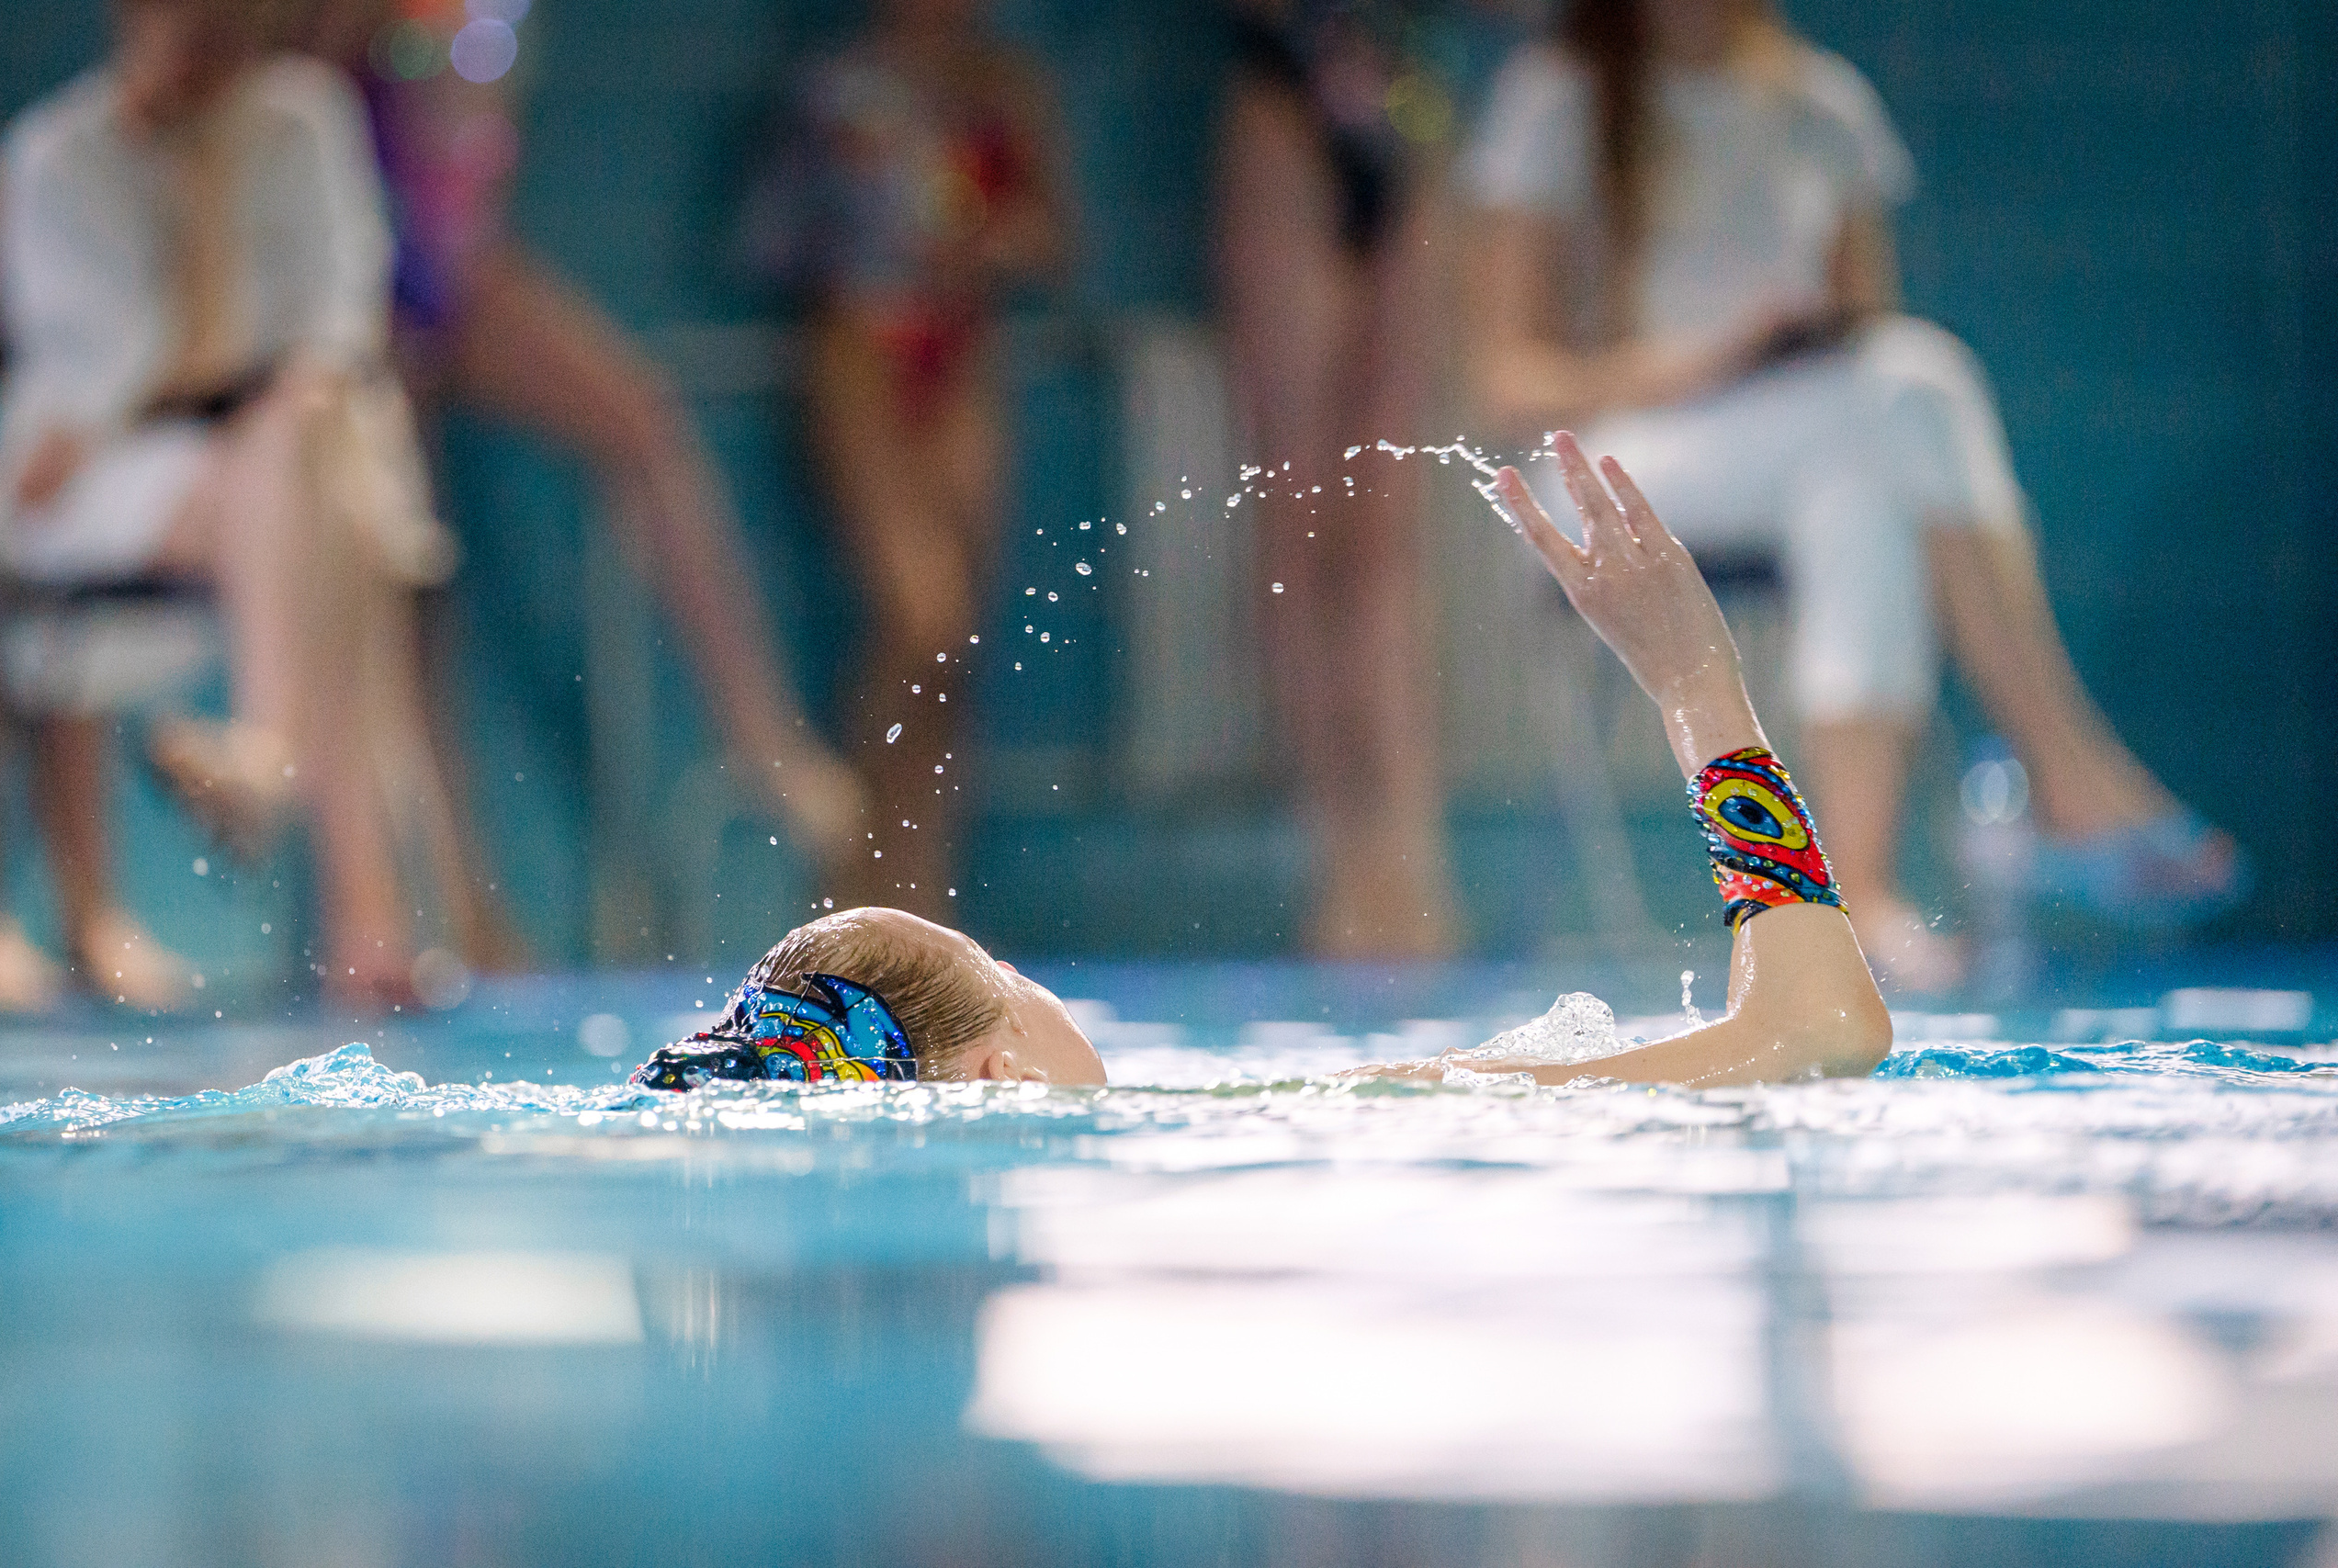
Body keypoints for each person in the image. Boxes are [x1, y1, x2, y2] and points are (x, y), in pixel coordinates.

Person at [635, 435, 1892, 1092]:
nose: (1041, 983)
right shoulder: (1349, 1112)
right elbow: (1824, 1029)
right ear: (999, 1074)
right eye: (1012, 974)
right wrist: (1696, 685)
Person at [1460, 0, 2243, 987]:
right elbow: (1504, 382)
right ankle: (2063, 776)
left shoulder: (1821, 105)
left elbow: (1865, 336)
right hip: (1616, 459)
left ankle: (1850, 896)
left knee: (1868, 476)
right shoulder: (1557, 99)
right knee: (1913, 390)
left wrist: (1791, 348)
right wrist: (1710, 358)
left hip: (1804, 445)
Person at [292, 0, 865, 878]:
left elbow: (470, 146)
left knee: (640, 424)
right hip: (358, 281)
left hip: (450, 262)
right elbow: (321, 107)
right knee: (409, 589)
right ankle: (454, 887)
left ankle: (763, 737)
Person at [0, 0, 459, 1006]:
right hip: (117, 479)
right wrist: (198, 203)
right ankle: (365, 908)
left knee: (307, 458)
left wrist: (275, 389)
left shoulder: (304, 120)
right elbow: (92, 382)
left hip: (281, 462)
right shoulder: (57, 154)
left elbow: (339, 319)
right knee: (317, 490)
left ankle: (270, 757)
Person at [751, 0, 1069, 921]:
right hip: (862, 348)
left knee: (957, 644)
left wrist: (996, 239)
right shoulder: (834, 89)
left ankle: (924, 889)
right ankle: (850, 883)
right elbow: (773, 241)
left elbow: (1053, 237)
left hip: (963, 353)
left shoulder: (1004, 85)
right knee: (920, 617)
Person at [1215, 0, 1463, 959]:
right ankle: (1337, 859)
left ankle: (1412, 854)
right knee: (1299, 514)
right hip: (1289, 106)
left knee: (1387, 527)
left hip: (1402, 96)